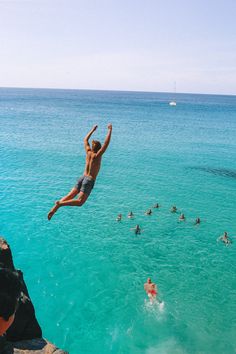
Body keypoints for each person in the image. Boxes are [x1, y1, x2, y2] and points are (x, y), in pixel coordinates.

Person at [48, 124, 112, 220]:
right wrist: (110, 130)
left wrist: (92, 130)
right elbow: (106, 144)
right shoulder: (97, 156)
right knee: (80, 202)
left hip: (82, 177)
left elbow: (85, 140)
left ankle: (55, 207)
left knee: (70, 195)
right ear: (99, 149)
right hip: (89, 180)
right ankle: (60, 203)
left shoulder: (88, 152)